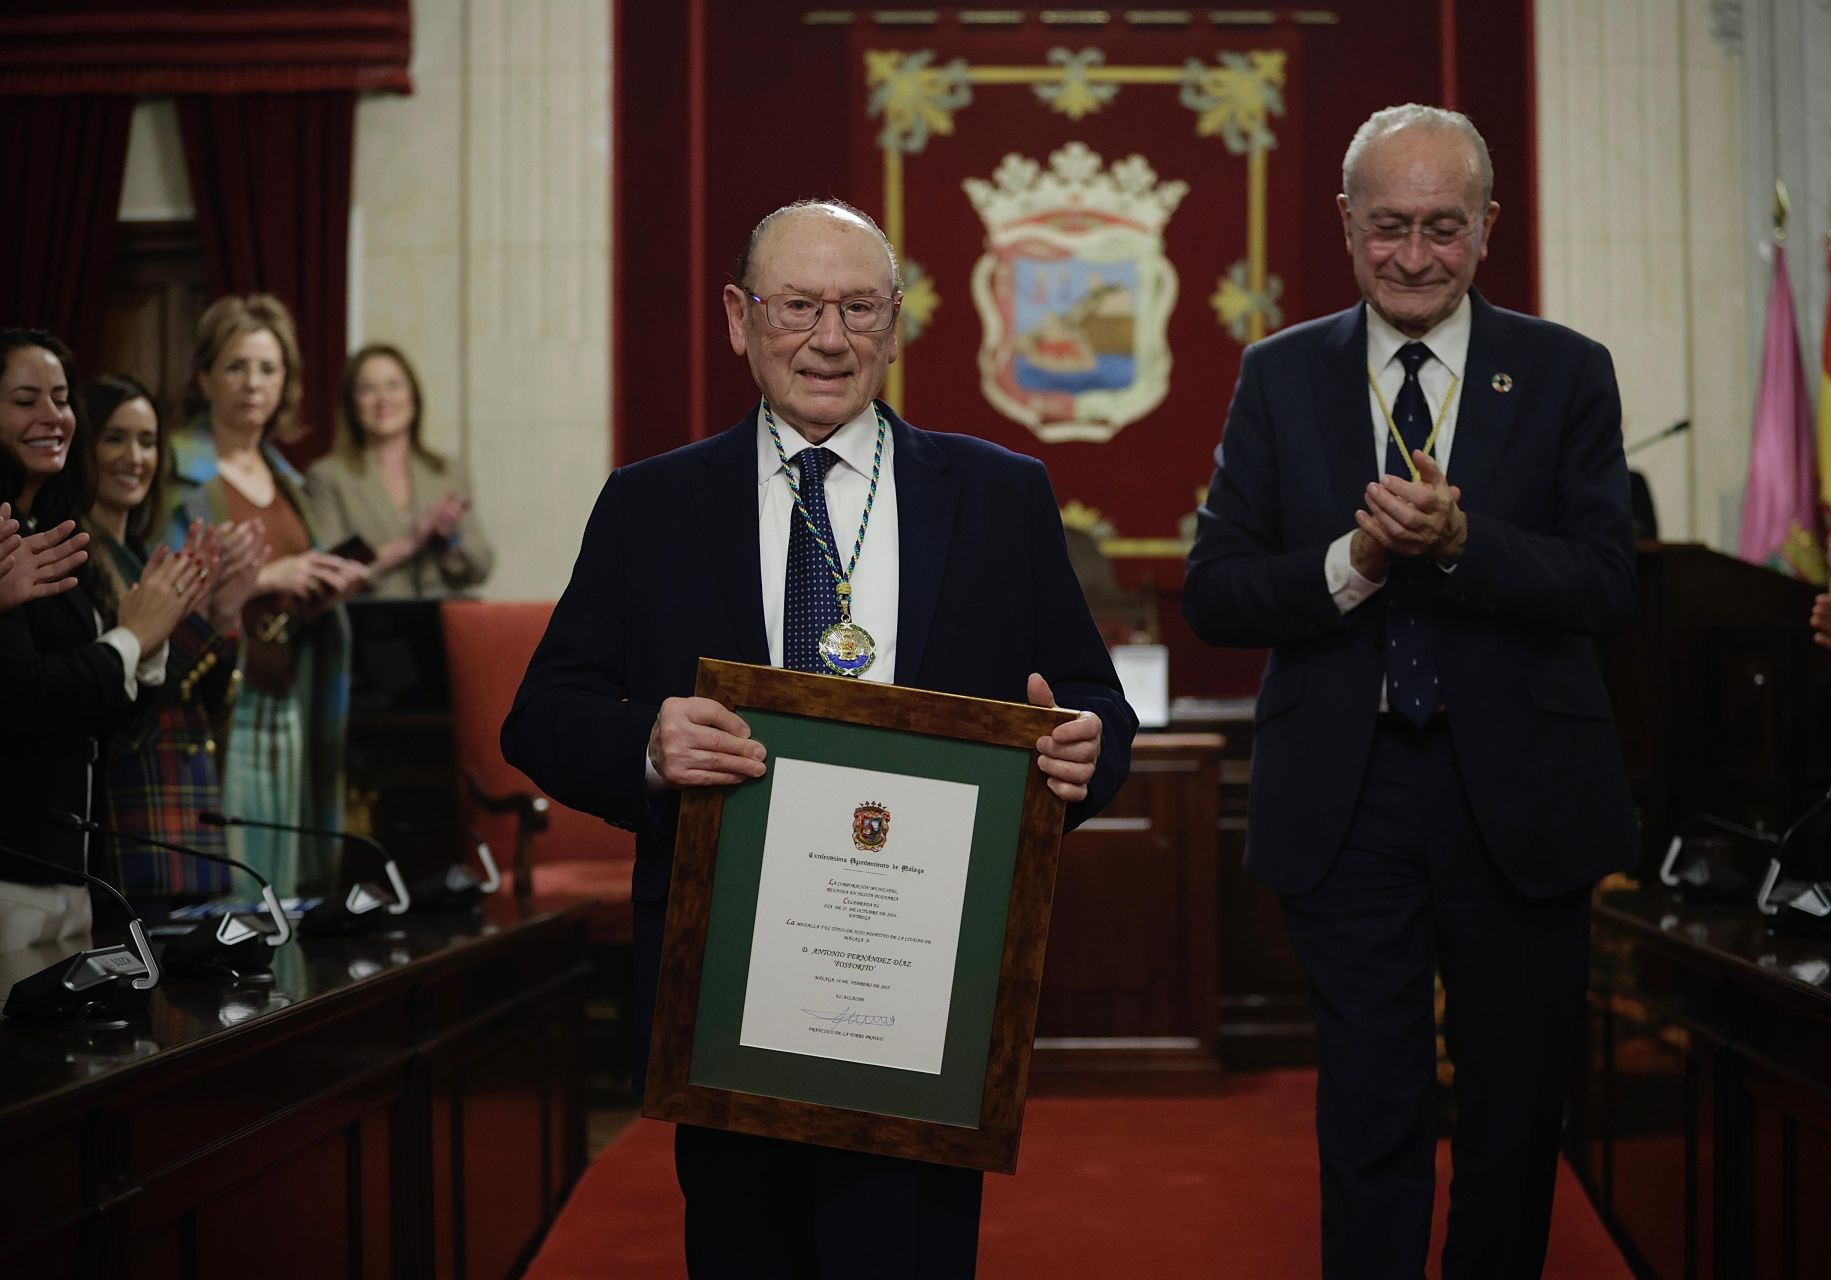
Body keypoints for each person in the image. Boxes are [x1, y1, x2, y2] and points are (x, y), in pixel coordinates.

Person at [501, 198, 1136, 1278]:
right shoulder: (650, 504)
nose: (829, 338)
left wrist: (1085, 752)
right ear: (739, 319)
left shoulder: (1000, 496)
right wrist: (650, 745)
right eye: (798, 306)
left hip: (925, 987)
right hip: (726, 985)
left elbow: (1093, 707)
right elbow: (542, 713)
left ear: (895, 324)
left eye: (857, 308)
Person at [1183, 104, 1638, 1279]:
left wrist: (1461, 539)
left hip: (1523, 802)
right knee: (1370, 1104)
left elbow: (1605, 583)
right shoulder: (1281, 375)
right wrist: (1358, 561)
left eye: (1445, 226)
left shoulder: (1565, 372)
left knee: (1515, 1101)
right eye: (1390, 227)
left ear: (1490, 225)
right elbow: (1218, 592)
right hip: (1351, 795)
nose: (1417, 254)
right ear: (1345, 223)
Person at [0, 330, 211, 948]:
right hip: (12, 869)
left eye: (61, 398)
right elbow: (22, 696)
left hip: (74, 869)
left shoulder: (52, 529)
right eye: (24, 399)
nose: (52, 416)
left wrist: (149, 639)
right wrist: (128, 638)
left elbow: (105, 724)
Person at [160, 295, 368, 893]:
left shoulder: (287, 478)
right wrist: (268, 578)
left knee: (288, 878)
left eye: (268, 369)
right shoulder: (173, 470)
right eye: (236, 366)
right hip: (220, 698)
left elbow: (294, 583)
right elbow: (154, 588)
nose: (253, 384)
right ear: (204, 377)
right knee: (234, 879)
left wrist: (322, 591)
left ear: (287, 384)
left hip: (291, 689)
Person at [80, 373, 266, 906]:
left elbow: (208, 704)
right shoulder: (79, 554)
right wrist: (204, 622)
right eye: (115, 438)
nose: (133, 457)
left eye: (147, 441)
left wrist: (225, 612)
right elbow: (136, 684)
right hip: (131, 804)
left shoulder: (141, 554)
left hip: (183, 806)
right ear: (83, 447)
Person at [303, 343, 495, 599]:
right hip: (370, 627)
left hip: (443, 622)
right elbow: (328, 573)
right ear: (351, 404)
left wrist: (449, 540)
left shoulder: (446, 472)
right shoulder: (328, 477)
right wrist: (410, 543)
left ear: (413, 398)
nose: (383, 399)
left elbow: (481, 566)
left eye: (393, 386)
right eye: (368, 389)